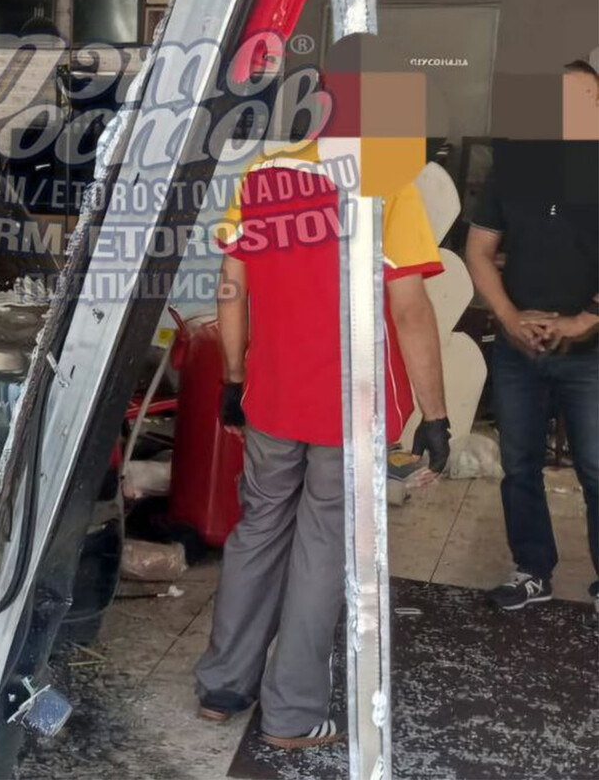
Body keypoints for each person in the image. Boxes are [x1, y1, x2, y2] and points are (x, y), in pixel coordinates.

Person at [193, 141, 451, 749]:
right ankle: (292, 714)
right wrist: (435, 416)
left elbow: (232, 281)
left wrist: (233, 378)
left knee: (258, 529)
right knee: (322, 546)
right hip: (351, 406)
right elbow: (409, 307)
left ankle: (223, 687)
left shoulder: (264, 175)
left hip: (273, 397)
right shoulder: (388, 181)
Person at [465, 61, 599, 615]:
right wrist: (510, 316)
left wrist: (585, 319)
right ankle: (532, 571)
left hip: (591, 350)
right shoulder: (513, 171)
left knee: (596, 468)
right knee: (518, 465)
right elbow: (478, 251)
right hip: (520, 348)